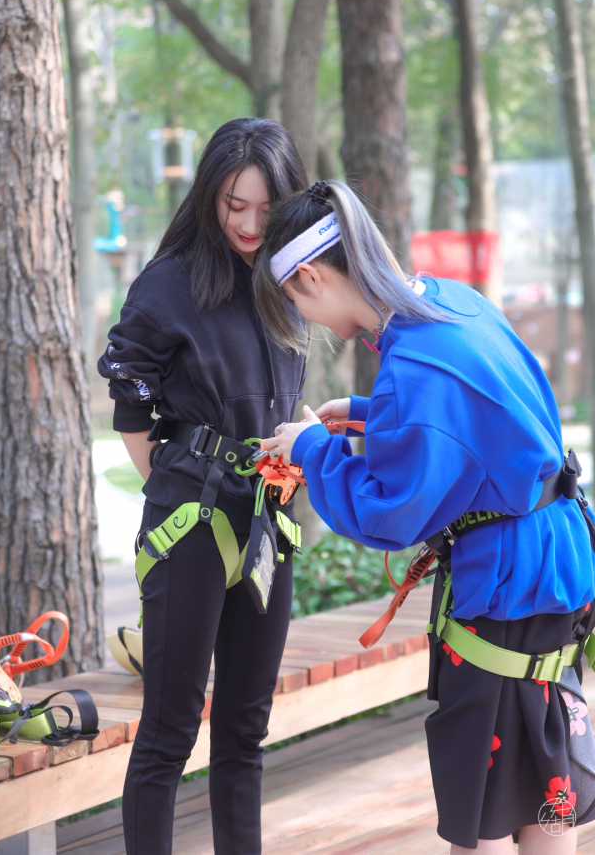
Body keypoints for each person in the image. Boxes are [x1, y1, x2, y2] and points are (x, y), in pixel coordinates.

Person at [253, 179, 595, 854]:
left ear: (312, 277)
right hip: (556, 559)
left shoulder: (412, 367)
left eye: (296, 302)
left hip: (502, 585)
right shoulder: (450, 302)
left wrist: (314, 449)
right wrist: (367, 416)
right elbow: (480, 418)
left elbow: (390, 512)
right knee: (545, 780)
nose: (307, 319)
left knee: (485, 807)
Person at [97, 118, 308, 855]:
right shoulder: (170, 283)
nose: (247, 224)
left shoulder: (291, 278)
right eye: (232, 204)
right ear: (209, 195)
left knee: (246, 730)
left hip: (268, 520)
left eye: (264, 209)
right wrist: (174, 483)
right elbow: (129, 397)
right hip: (190, 522)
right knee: (169, 732)